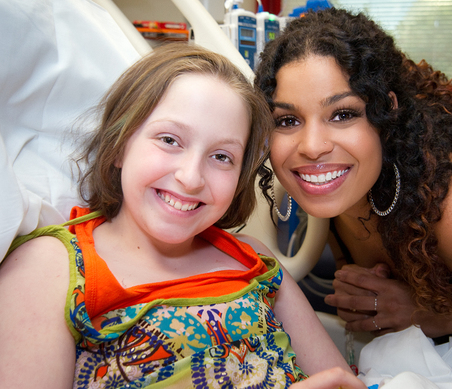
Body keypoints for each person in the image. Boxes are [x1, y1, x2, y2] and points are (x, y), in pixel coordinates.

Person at [0, 43, 366, 389]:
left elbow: (337, 381)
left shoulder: (254, 262)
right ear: (119, 145)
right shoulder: (50, 268)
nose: (190, 178)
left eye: (222, 157)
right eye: (169, 140)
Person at [254, 8, 452, 339]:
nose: (312, 146)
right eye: (288, 120)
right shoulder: (341, 200)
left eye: (343, 114)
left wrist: (444, 314)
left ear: (386, 111)